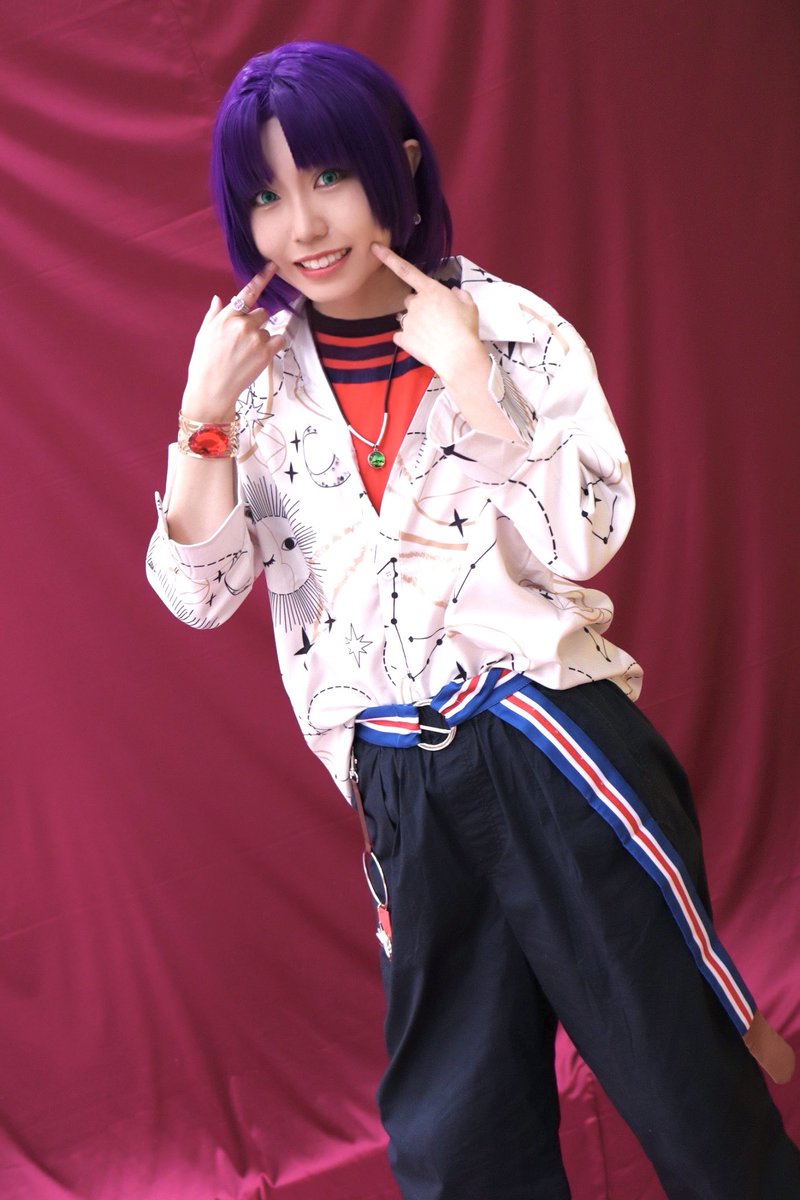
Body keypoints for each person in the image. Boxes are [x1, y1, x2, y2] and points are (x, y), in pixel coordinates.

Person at [146, 40, 800, 1200]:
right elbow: (200, 595)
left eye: (328, 176)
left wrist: (471, 382)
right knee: (456, 1141)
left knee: (686, 1089)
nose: (303, 225)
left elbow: (584, 536)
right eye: (265, 195)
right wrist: (201, 418)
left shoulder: (506, 326)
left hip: (552, 740)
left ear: (397, 165)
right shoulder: (251, 382)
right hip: (400, 778)